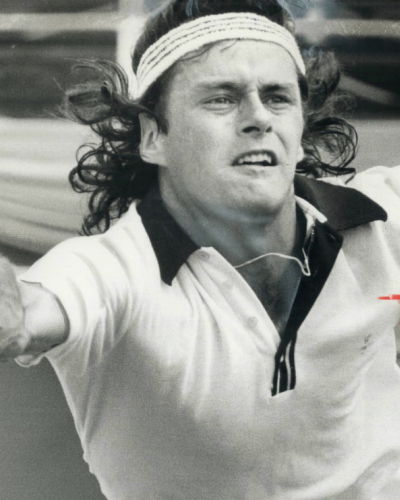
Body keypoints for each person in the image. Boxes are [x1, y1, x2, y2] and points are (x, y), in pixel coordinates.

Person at [1, 0, 400, 498]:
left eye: (277, 97)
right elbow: (32, 308)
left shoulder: (383, 219)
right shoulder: (112, 270)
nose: (259, 117)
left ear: (300, 133)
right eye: (221, 99)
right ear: (153, 137)